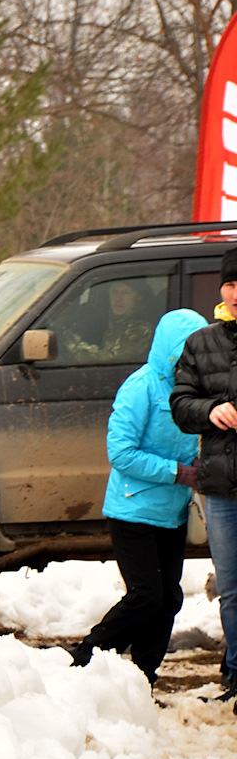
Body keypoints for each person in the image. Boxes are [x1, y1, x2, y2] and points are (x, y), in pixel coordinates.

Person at [70, 307, 206, 683]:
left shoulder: (193, 391)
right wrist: (178, 472)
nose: (191, 357)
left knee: (169, 600)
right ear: (169, 348)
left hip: (172, 513)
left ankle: (143, 678)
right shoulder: (141, 386)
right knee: (146, 596)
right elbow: (121, 453)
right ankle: (84, 659)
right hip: (133, 511)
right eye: (185, 349)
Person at [171, 246, 237, 700]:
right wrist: (212, 410)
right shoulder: (201, 342)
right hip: (221, 487)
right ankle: (235, 673)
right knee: (232, 587)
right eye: (232, 284)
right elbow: (180, 403)